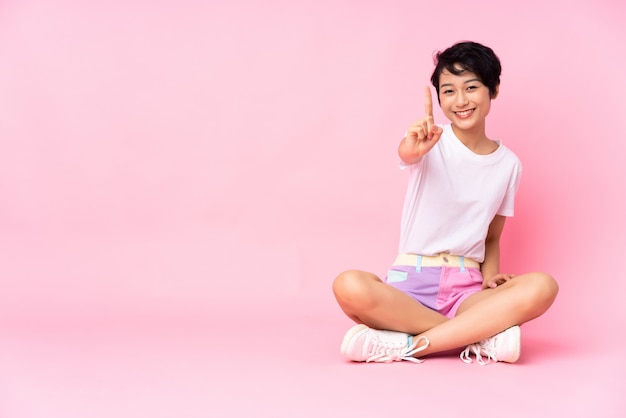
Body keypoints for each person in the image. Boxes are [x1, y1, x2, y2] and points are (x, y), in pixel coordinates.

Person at [332, 41, 559, 365]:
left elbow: (492, 236)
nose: (461, 100)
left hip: (467, 291)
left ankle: (406, 346)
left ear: (493, 89)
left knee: (543, 286)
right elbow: (407, 153)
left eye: (471, 87)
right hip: (409, 285)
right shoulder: (429, 139)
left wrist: (490, 279)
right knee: (349, 285)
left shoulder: (509, 165)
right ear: (438, 97)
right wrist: (413, 148)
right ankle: (476, 337)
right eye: (448, 91)